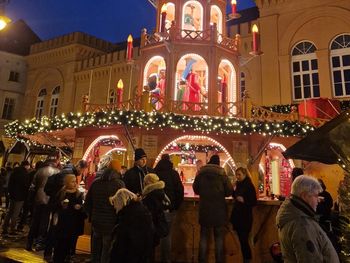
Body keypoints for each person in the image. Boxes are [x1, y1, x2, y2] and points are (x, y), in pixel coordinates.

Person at [276, 175, 339, 262]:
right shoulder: (301, 225)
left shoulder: (297, 216)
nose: (318, 200)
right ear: (304, 195)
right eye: (316, 196)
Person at [193, 155, 233, 263]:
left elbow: (195, 190)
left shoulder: (201, 173)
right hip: (219, 211)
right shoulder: (222, 174)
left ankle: (201, 260)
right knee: (219, 239)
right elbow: (229, 191)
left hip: (204, 210)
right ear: (218, 163)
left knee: (203, 238)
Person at [85, 168, 125, 263]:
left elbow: (88, 202)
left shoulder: (95, 183)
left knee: (96, 245)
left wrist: (91, 215)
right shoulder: (119, 184)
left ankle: (94, 260)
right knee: (107, 248)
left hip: (96, 220)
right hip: (111, 221)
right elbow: (123, 203)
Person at [109, 188, 154, 263]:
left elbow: (122, 243)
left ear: (120, 202)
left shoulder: (128, 215)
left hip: (130, 255)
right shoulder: (140, 209)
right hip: (141, 253)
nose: (114, 207)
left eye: (115, 204)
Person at [154, 154, 184, 263]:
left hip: (155, 209)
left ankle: (153, 258)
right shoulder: (174, 174)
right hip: (168, 208)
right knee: (166, 235)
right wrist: (175, 206)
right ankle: (165, 260)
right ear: (169, 161)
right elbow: (180, 191)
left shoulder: (154, 173)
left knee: (155, 233)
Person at [52, 174, 86, 263]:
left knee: (72, 241)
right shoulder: (62, 192)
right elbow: (54, 206)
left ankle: (70, 255)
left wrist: (80, 207)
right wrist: (61, 205)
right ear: (67, 182)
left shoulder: (79, 193)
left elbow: (83, 207)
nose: (75, 183)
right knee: (61, 243)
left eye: (75, 181)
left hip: (74, 222)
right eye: (72, 181)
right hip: (63, 222)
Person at [230, 167, 257, 263]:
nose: (237, 177)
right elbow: (235, 196)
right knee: (242, 240)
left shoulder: (249, 186)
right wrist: (233, 190)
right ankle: (245, 259)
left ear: (245, 174)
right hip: (238, 217)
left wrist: (244, 200)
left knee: (244, 240)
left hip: (245, 217)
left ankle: (247, 260)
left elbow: (254, 202)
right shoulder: (238, 184)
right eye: (236, 175)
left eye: (239, 174)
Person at [142, 173, 171, 261]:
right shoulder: (160, 191)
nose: (144, 184)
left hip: (152, 224)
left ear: (149, 182)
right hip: (157, 223)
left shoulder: (151, 194)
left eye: (145, 182)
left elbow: (150, 210)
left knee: (149, 250)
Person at [2, 160, 31, 236]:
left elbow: (10, 183)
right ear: (26, 165)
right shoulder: (25, 174)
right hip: (20, 197)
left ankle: (4, 228)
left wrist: (10, 193)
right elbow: (26, 186)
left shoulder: (14, 172)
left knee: (9, 212)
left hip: (12, 195)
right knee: (16, 213)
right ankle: (12, 229)